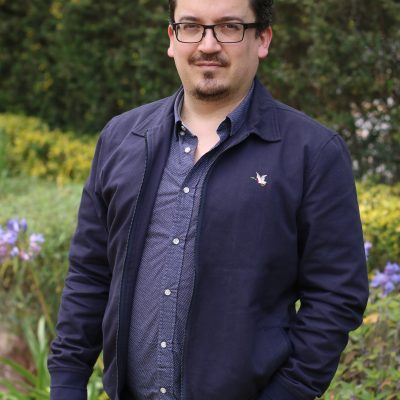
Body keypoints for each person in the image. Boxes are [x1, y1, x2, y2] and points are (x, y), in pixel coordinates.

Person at [47, 0, 369, 399]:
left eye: (230, 27)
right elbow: (90, 274)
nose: (208, 44)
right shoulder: (120, 138)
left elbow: (336, 295)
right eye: (191, 26)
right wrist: (67, 381)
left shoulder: (312, 153)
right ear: (172, 38)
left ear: (262, 39)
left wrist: (289, 391)